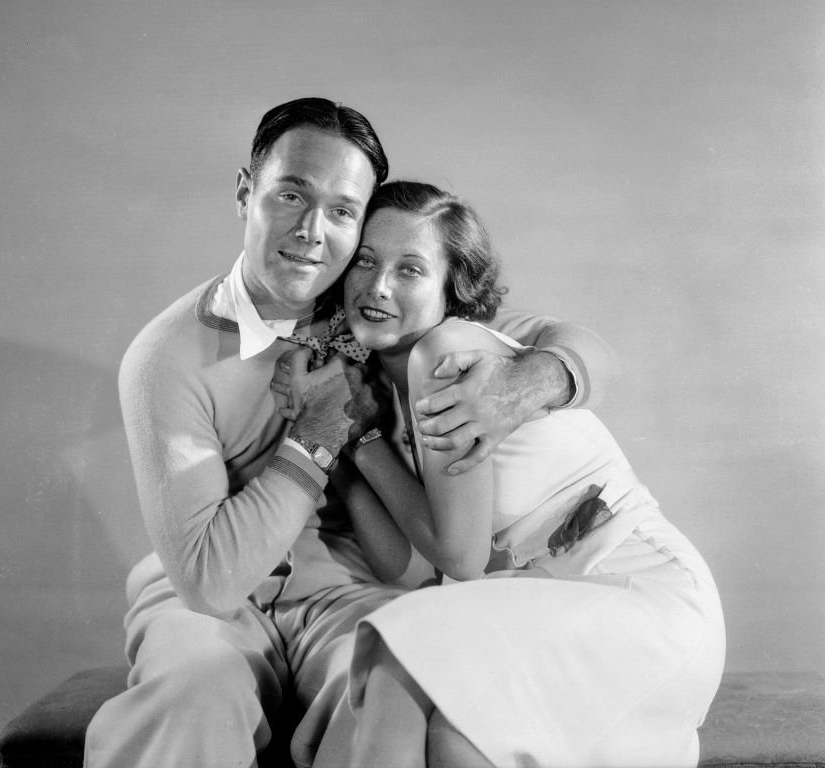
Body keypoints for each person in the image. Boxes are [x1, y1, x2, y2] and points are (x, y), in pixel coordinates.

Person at [83, 98, 619, 768]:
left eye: (341, 211)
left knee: (396, 694)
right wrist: (318, 437)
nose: (312, 231)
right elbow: (208, 583)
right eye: (290, 195)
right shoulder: (164, 358)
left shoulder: (375, 305)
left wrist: (526, 383)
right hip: (208, 602)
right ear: (246, 192)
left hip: (351, 588)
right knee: (192, 695)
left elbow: (573, 345)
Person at [280, 180, 724, 768]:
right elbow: (405, 567)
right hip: (543, 612)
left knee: (402, 651)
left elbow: (459, 559)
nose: (378, 286)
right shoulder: (381, 395)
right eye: (365, 259)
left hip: (638, 601)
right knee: (453, 736)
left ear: (451, 288)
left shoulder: (448, 351)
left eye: (410, 270)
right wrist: (348, 437)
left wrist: (358, 430)